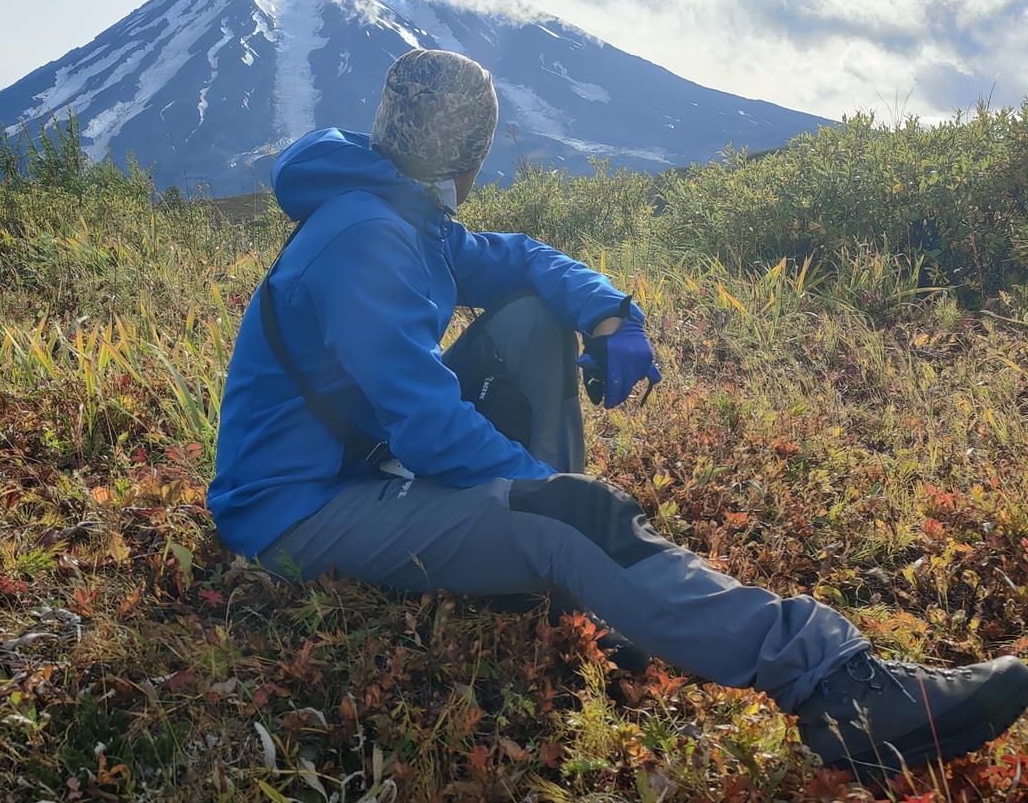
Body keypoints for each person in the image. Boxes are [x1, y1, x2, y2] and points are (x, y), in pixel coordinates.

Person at [207, 48, 1028, 783]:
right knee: (572, 521)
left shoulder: (401, 216)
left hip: (359, 466)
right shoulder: (366, 239)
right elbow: (427, 428)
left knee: (533, 314)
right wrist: (553, 495)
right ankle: (838, 687)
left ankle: (570, 571)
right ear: (470, 155)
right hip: (296, 512)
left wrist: (610, 316)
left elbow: (525, 256)